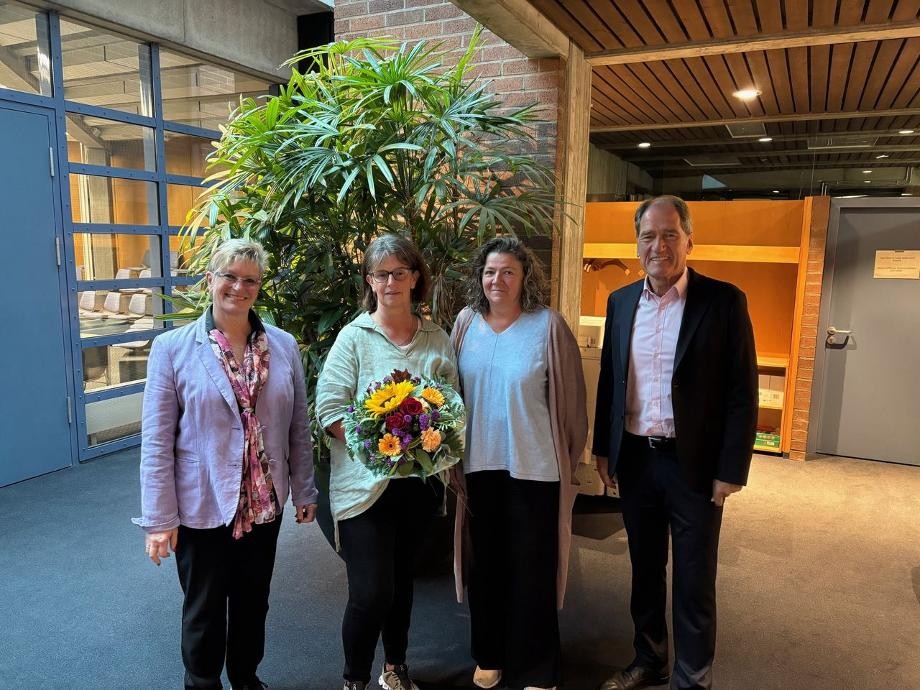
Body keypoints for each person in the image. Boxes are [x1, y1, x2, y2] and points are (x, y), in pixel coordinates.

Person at [134, 238, 318, 690]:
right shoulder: (172, 348)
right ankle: (201, 680)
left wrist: (306, 489)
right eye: (229, 276)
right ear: (210, 280)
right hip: (202, 503)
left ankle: (245, 676)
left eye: (250, 280)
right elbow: (156, 442)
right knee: (205, 606)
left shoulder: (283, 345)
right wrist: (160, 519)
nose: (239, 287)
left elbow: (298, 425)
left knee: (254, 601)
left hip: (263, 503)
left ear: (260, 287)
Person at [593, 196, 758, 690]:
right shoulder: (621, 302)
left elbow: (741, 391)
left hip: (695, 466)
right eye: (648, 236)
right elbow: (610, 380)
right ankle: (650, 659)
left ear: (689, 240)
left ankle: (693, 676)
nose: (658, 246)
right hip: (638, 460)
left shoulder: (723, 300)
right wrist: (604, 449)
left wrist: (731, 469)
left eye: (669, 235)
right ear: (637, 243)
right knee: (644, 571)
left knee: (693, 578)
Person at [315, 234, 457, 690]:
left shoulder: (437, 338)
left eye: (400, 272)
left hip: (420, 485)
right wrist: (374, 444)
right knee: (371, 591)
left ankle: (395, 667)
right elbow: (329, 409)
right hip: (365, 486)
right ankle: (354, 678)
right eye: (382, 274)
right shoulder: (354, 338)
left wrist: (434, 437)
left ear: (416, 278)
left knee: (401, 585)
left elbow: (454, 406)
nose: (391, 281)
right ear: (370, 281)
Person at [450, 236, 587, 690]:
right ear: (480, 276)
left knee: (532, 569)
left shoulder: (547, 326)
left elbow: (572, 402)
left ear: (525, 277)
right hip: (479, 466)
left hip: (535, 469)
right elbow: (449, 393)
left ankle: (537, 667)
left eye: (508, 271)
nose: (498, 280)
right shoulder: (466, 324)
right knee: (486, 565)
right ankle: (489, 654)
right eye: (490, 272)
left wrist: (573, 460)